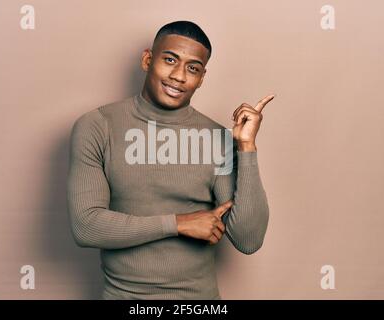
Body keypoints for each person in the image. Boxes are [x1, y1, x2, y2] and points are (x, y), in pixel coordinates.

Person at [67, 20, 274, 300]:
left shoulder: (218, 138)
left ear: (201, 78)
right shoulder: (97, 126)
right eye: (169, 60)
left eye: (193, 68)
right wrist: (178, 223)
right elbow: (86, 226)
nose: (179, 76)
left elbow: (248, 240)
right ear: (147, 59)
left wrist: (246, 147)